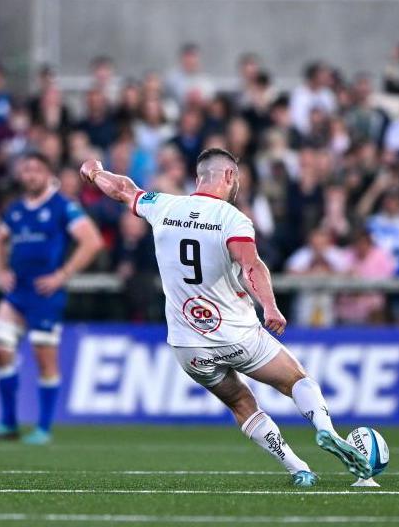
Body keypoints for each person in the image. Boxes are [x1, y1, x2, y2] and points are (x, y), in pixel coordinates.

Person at [80, 147, 372, 486]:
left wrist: (96, 172)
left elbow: (123, 190)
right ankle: (325, 430)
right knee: (296, 380)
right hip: (237, 335)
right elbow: (251, 266)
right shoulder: (232, 218)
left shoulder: (163, 206)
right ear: (229, 177)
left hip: (187, 346)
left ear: (198, 176)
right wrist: (270, 306)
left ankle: (298, 468)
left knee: (241, 404)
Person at [0, 152, 102, 445]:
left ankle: (43, 428)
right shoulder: (15, 209)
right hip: (17, 292)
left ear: (48, 174)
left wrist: (62, 275)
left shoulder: (62, 207)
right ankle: (7, 422)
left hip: (46, 293)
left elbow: (91, 241)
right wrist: (0, 269)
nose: (30, 175)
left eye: (36, 170)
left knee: (45, 360)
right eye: (26, 170)